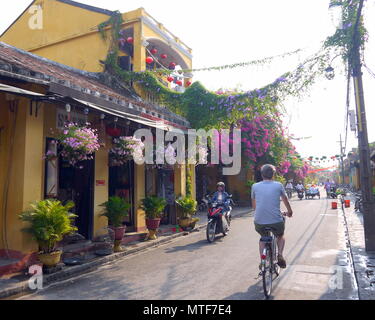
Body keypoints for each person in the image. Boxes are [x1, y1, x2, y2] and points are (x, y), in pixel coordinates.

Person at [251, 164, 293, 269]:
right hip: (276, 221)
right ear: (273, 174)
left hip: (259, 221)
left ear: (261, 174)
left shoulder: (255, 186)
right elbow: (285, 200)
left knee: (263, 238)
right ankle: (280, 255)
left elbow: (254, 206)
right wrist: (289, 212)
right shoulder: (278, 185)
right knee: (280, 235)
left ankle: (263, 260)